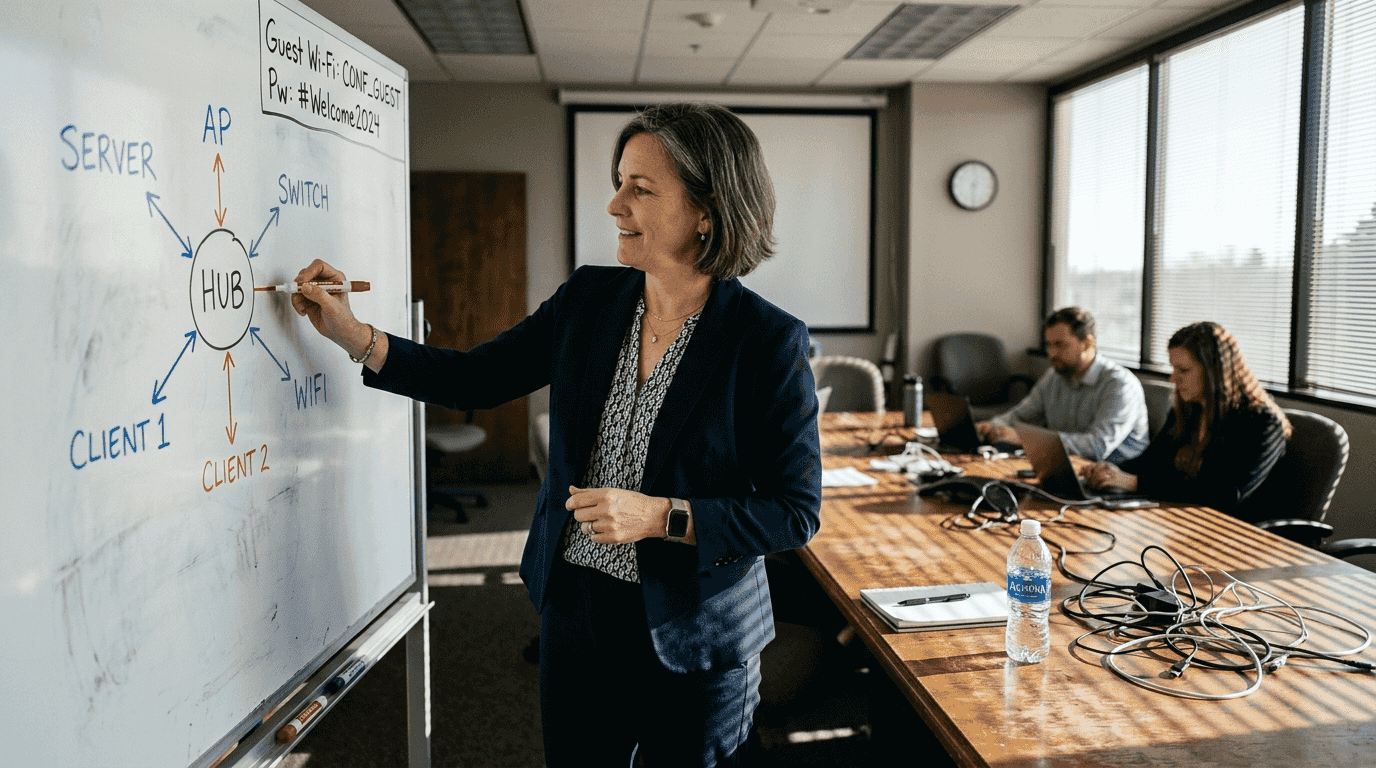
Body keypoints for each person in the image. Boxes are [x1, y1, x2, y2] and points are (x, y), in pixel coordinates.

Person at [289, 103, 822, 767]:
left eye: (641, 189)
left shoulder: (768, 342)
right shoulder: (588, 302)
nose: (613, 205)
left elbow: (793, 514)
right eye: (618, 180)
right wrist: (354, 335)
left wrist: (662, 517)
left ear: (708, 211)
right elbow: (475, 379)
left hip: (696, 633)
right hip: (578, 612)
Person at [1080, 321, 1290, 517]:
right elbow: (1149, 462)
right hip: (1181, 519)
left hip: (1237, 535)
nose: (1173, 378)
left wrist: (1134, 483)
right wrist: (1109, 471)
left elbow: (1225, 496)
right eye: (1173, 368)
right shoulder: (1189, 410)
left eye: (1183, 370)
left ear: (1214, 372)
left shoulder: (1261, 423)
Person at [976, 306, 1149, 463]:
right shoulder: (1055, 376)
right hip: (1064, 464)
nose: (1051, 354)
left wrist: (1022, 438)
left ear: (1087, 343)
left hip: (1115, 475)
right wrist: (991, 426)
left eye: (1060, 345)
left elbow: (1096, 447)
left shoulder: (1120, 385)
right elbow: (1020, 415)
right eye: (1049, 345)